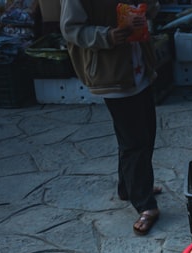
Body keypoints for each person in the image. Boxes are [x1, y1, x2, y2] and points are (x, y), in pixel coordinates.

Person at [61, 0, 162, 235]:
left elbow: (153, 8)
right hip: (112, 73)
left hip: (140, 69)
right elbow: (71, 29)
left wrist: (146, 9)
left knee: (142, 133)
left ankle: (128, 187)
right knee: (135, 141)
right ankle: (145, 204)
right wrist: (107, 35)